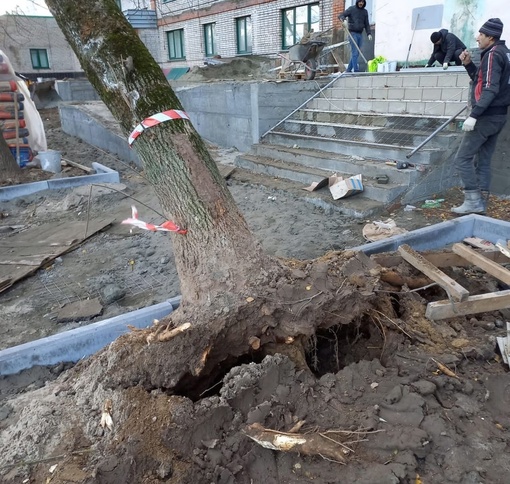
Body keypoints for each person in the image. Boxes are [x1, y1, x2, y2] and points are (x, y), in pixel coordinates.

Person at [451, 18, 510, 214]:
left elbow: (490, 88)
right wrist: (468, 64)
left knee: (462, 159)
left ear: (491, 37)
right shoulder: (504, 53)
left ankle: (472, 201)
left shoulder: (493, 55)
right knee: (483, 160)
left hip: (486, 116)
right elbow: (483, 79)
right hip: (500, 116)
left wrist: (474, 115)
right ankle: (480, 203)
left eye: (481, 35)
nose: (477, 38)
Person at [338, 0, 372, 73]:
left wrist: (369, 33)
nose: (361, 3)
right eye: (360, 2)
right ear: (357, 2)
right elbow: (341, 15)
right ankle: (356, 70)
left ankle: (349, 70)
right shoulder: (351, 9)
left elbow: (366, 24)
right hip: (352, 33)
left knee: (356, 53)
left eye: (362, 2)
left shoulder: (365, 12)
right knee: (355, 52)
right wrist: (344, 20)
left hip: (360, 34)